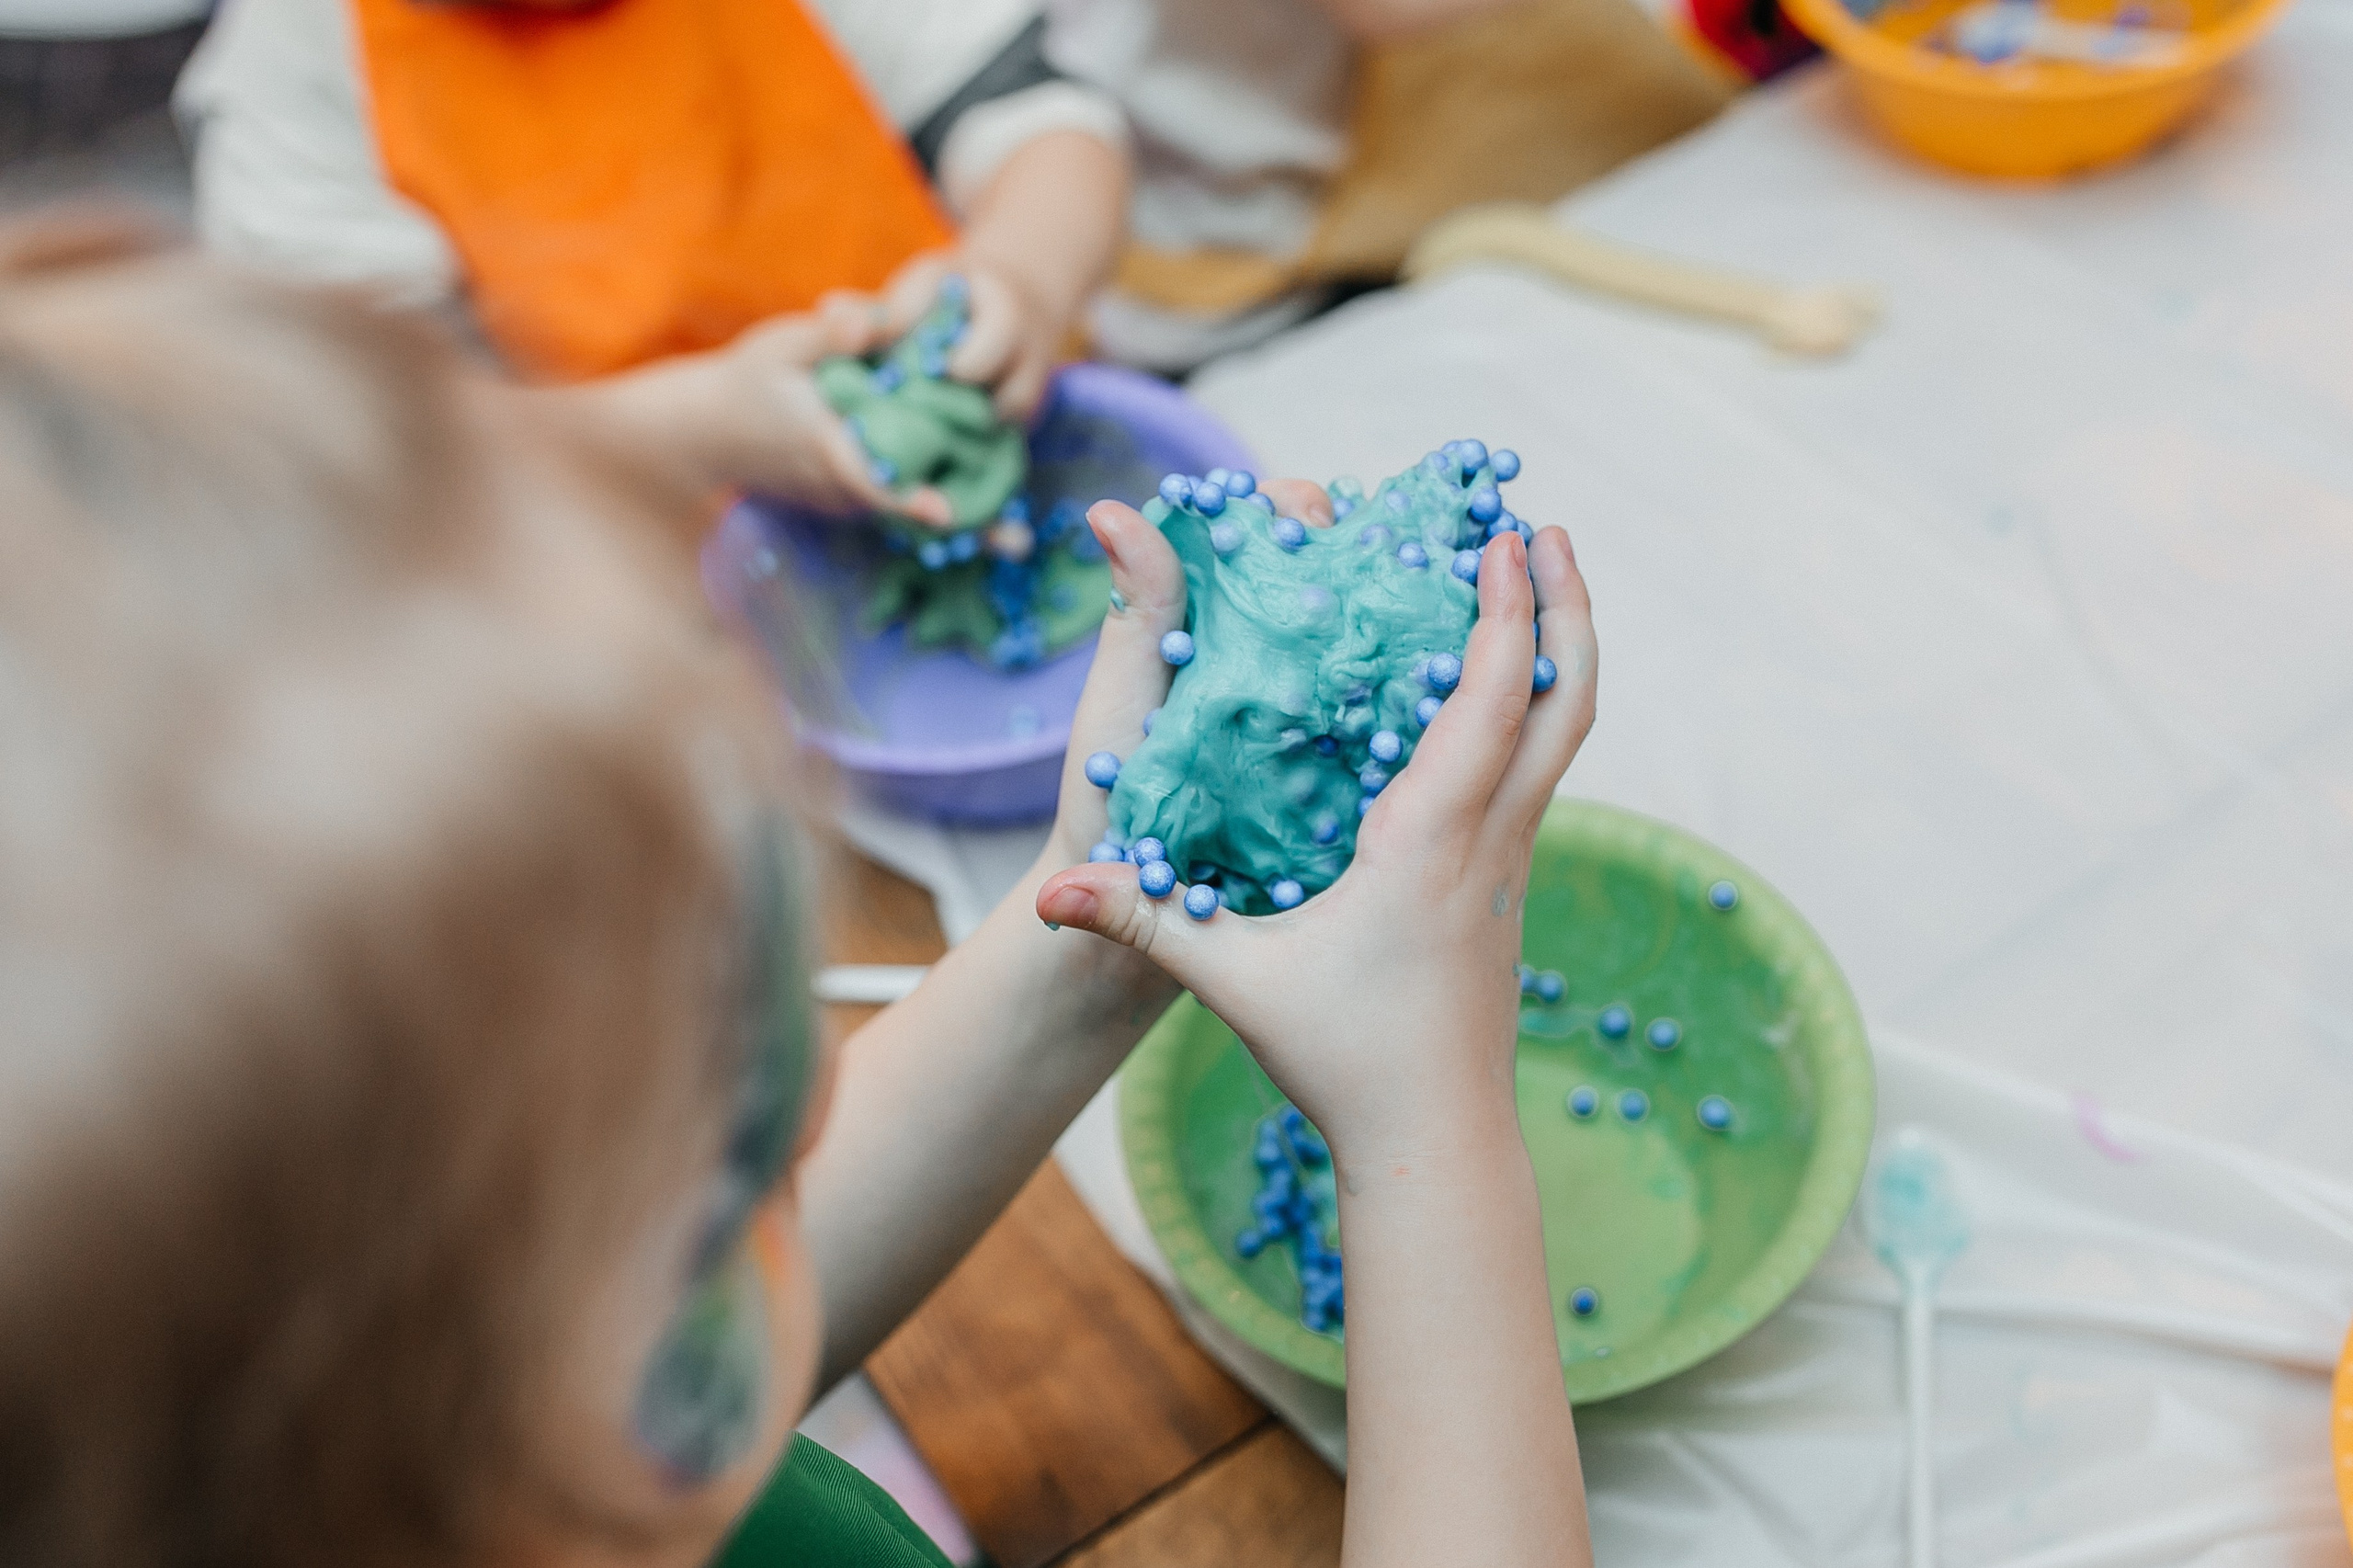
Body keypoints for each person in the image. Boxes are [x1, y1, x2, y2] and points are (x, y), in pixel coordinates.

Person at [0, 225, 1601, 1568]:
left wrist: (1108, 906)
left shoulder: (447, 1423)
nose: (828, 1086)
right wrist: (1428, 1140)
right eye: (728, 1121)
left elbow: (673, 1319)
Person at [173, 0, 1131, 526]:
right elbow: (378, 452)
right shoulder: (299, 69)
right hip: (620, 547)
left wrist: (1020, 273)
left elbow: (1038, 122)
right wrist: (695, 429)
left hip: (1015, 456)